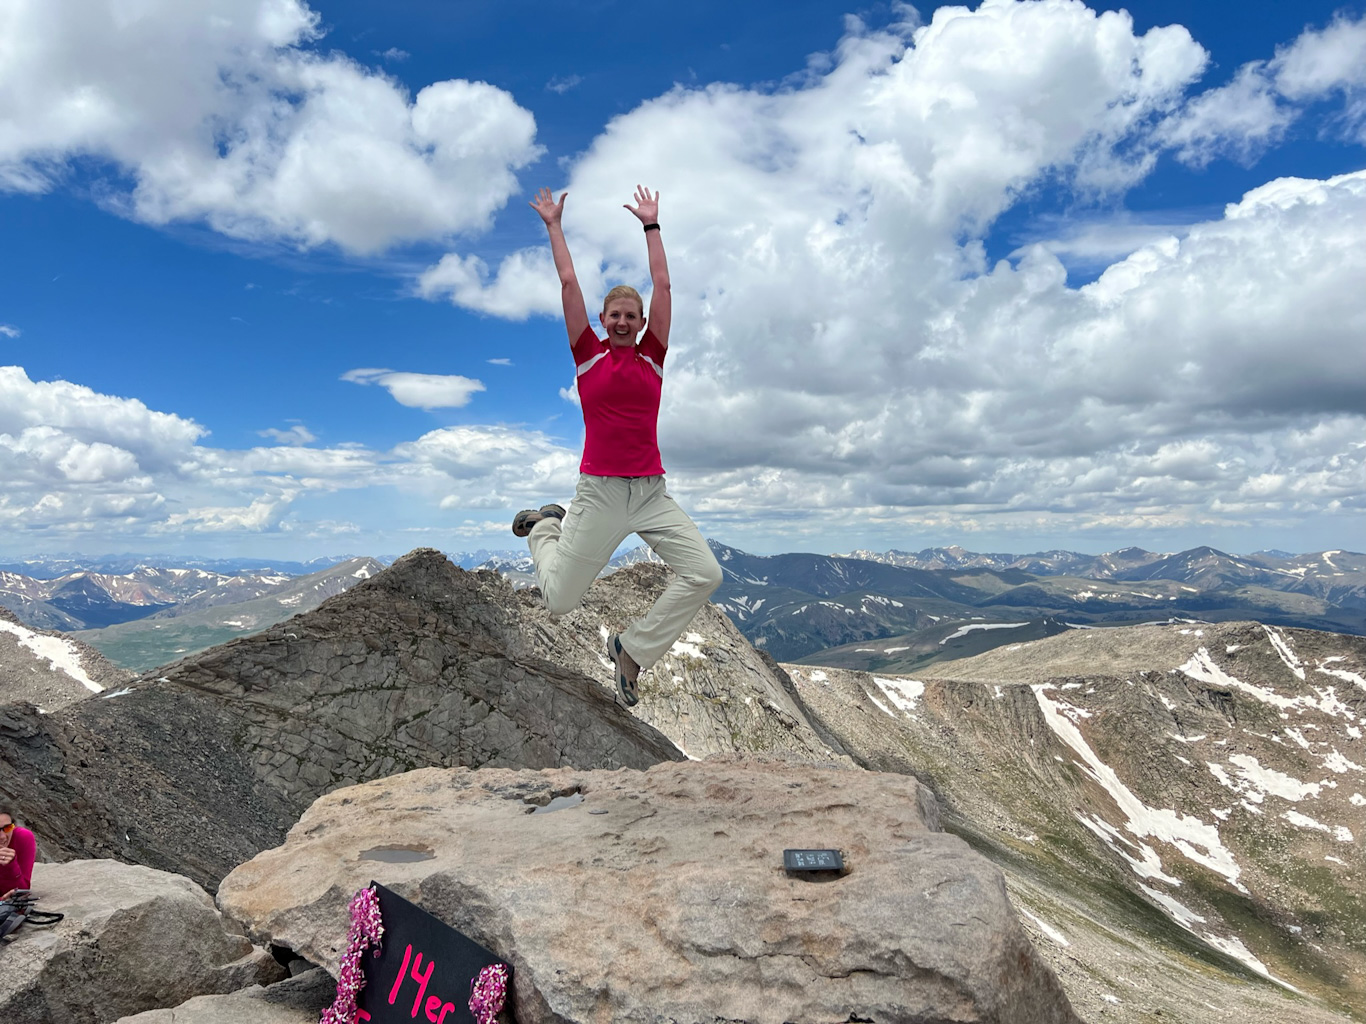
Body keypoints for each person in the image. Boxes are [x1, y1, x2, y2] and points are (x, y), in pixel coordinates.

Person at [517, 184, 722, 708]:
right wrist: (554, 227)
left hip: (652, 493)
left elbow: (664, 284)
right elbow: (567, 282)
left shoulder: (654, 355)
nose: (625, 321)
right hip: (601, 493)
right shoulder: (587, 355)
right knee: (559, 601)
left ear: (642, 322)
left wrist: (651, 226)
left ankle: (630, 652)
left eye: (632, 314)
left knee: (705, 573)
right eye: (616, 315)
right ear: (604, 323)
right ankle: (545, 528)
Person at [0, 806, 36, 900]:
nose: (3, 837)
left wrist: (10, 865)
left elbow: (22, 891)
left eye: (7, 828)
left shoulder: (22, 838)